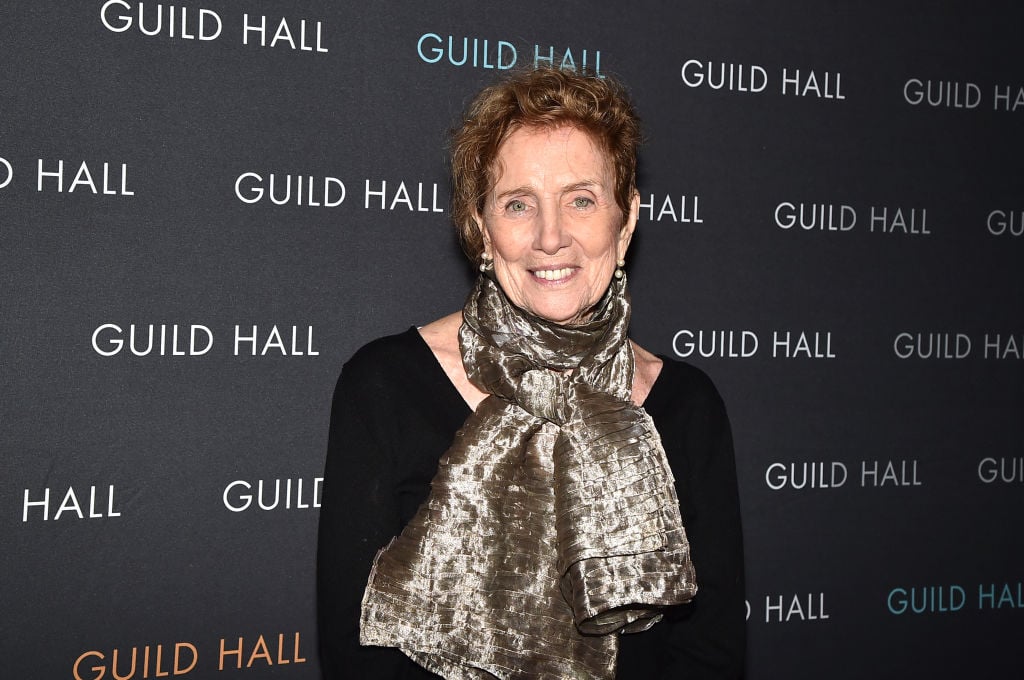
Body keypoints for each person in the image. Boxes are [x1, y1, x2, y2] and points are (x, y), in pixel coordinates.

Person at [317, 67, 745, 679]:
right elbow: (356, 659)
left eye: (581, 200)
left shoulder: (687, 406)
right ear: (480, 229)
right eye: (519, 204)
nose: (551, 237)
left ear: (625, 224)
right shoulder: (384, 387)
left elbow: (711, 658)